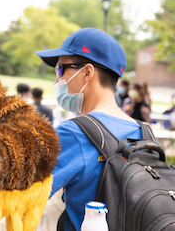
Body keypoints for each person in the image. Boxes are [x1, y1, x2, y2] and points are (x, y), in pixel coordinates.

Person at [35, 28, 144, 231]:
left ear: (87, 72)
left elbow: (24, 196)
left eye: (60, 69)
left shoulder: (74, 133)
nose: (57, 80)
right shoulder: (144, 132)